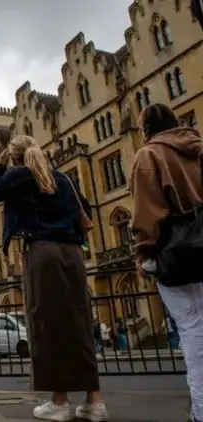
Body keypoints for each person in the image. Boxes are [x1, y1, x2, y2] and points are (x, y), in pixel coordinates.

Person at [0, 135, 107, 421]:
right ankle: (94, 402)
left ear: (13, 157)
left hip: (41, 253)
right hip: (73, 254)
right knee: (78, 322)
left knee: (46, 324)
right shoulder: (62, 179)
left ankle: (59, 402)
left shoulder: (17, 177)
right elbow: (84, 210)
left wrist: (0, 167)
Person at [130, 103, 203, 422]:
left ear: (146, 128)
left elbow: (148, 211)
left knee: (192, 329)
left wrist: (144, 253)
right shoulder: (198, 147)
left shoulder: (149, 155)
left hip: (178, 251)